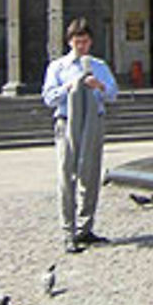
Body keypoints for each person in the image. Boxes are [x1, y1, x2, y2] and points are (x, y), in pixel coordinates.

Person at [41, 17, 118, 253]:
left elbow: (113, 94)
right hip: (67, 123)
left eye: (85, 42)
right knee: (67, 176)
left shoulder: (99, 66)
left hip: (93, 122)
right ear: (69, 42)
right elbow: (48, 98)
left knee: (91, 175)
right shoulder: (58, 67)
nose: (81, 46)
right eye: (77, 42)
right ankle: (68, 231)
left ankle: (86, 228)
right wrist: (68, 87)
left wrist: (100, 87)